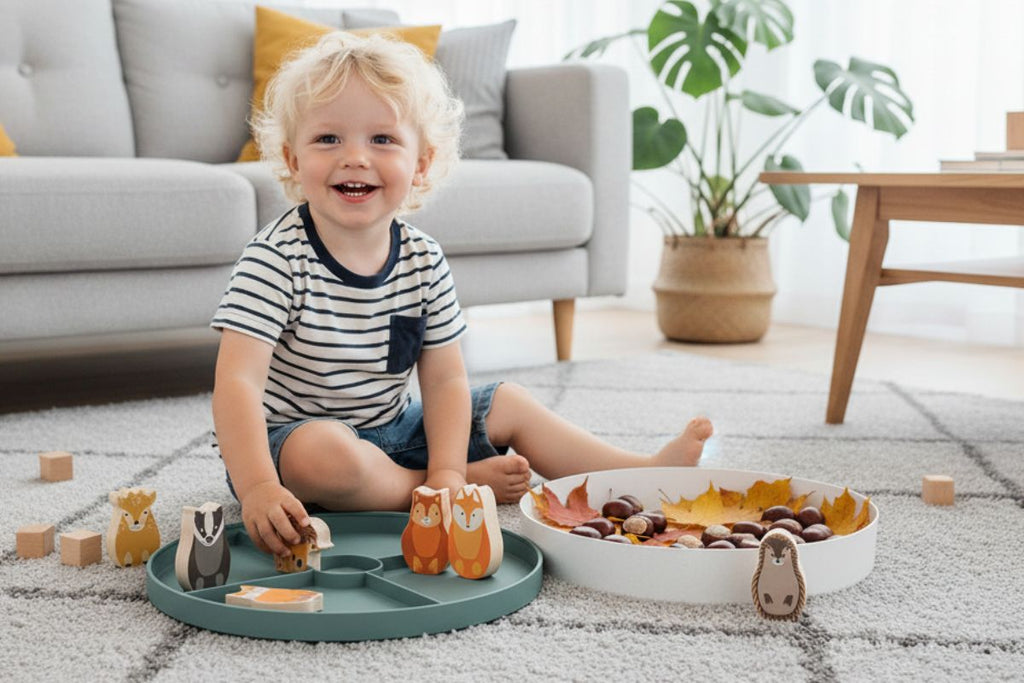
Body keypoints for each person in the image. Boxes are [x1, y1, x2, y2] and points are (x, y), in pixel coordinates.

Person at [211, 31, 713, 558]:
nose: (355, 158)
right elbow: (237, 384)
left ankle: (638, 471)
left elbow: (446, 378)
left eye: (382, 140)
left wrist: (448, 470)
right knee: (326, 453)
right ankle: (419, 491)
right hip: (290, 449)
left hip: (394, 431)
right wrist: (259, 488)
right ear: (292, 160)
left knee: (510, 403)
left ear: (422, 163)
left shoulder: (423, 258)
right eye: (328, 140)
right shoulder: (276, 258)